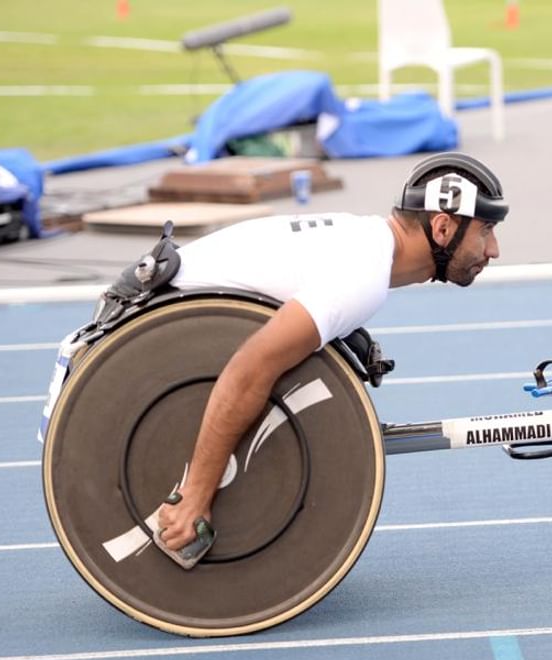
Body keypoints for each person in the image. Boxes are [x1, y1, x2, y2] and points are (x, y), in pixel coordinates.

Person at [155, 151, 509, 562]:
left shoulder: (365, 240)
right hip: (155, 339)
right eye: (486, 231)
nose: (495, 250)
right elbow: (250, 368)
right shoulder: (363, 275)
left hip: (169, 311)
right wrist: (196, 494)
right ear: (443, 227)